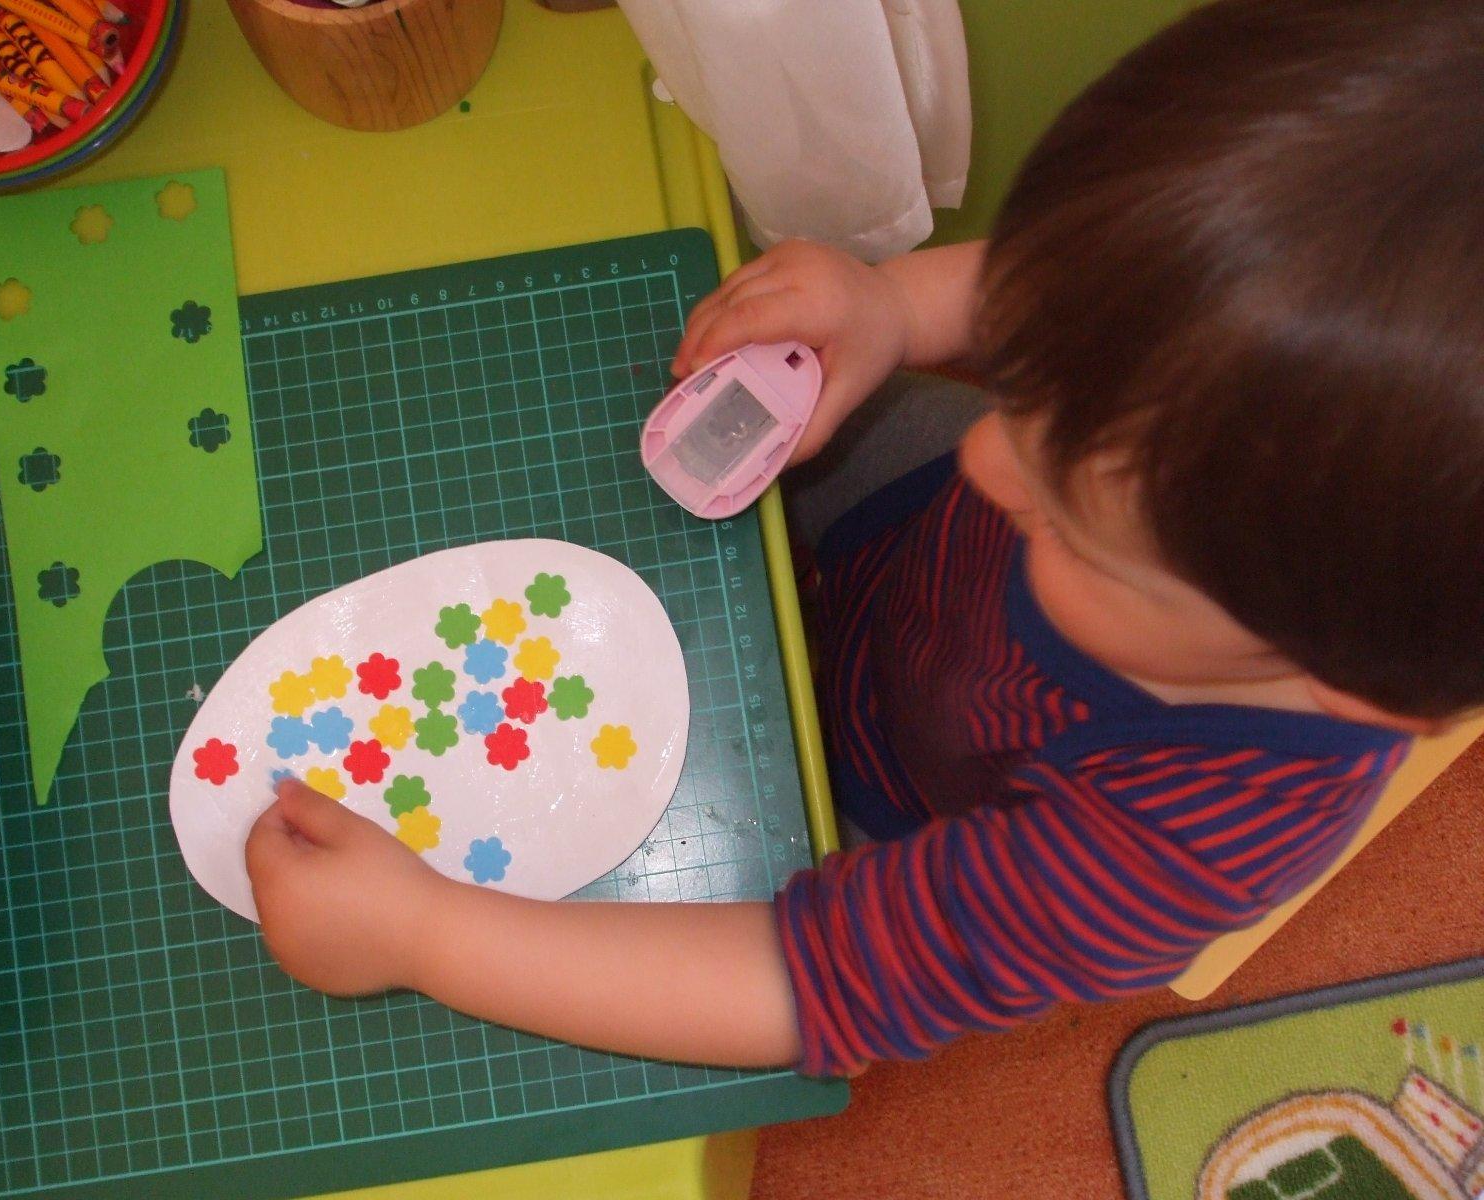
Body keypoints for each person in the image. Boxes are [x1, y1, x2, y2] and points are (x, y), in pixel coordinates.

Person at [242, 0, 1484, 1077]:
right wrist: (892, 305)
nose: (987, 453)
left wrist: (427, 937)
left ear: (1346, 679)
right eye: (1029, 375)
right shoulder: (1180, 400)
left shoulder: (1189, 840)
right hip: (893, 561)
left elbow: (810, 980)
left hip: (891, 783)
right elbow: (1040, 290)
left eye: (1073, 523)